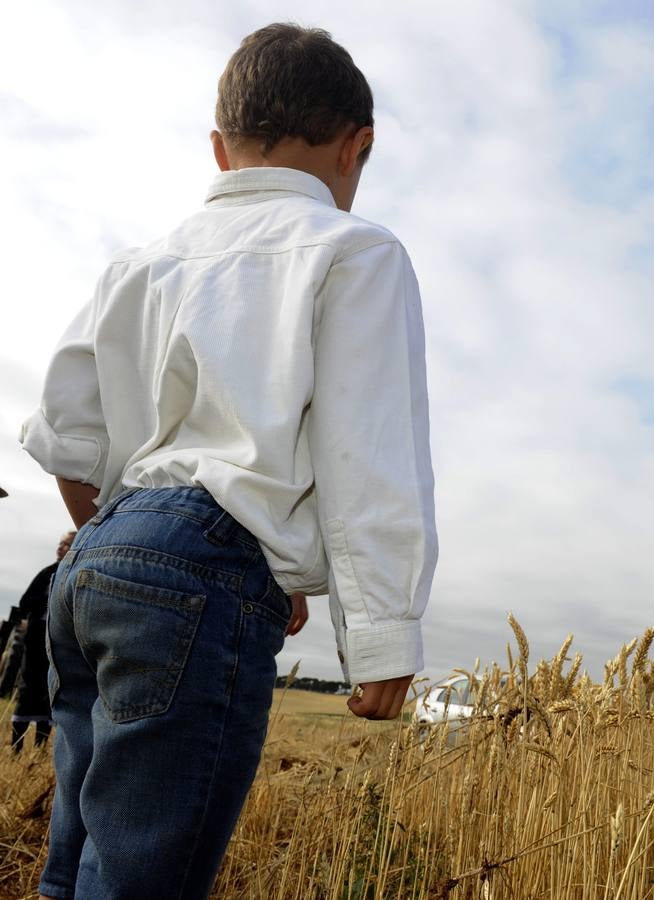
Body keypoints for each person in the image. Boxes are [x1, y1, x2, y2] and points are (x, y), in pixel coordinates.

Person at [19, 23, 437, 900]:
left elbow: (64, 438)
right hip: (203, 573)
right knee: (138, 884)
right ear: (358, 147)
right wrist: (382, 636)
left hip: (92, 564)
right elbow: (367, 456)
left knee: (73, 868)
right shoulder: (354, 251)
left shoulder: (138, 264)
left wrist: (126, 548)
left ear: (219, 148)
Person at [10, 532, 75, 752]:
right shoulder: (47, 573)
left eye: (65, 545)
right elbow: (26, 601)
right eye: (60, 544)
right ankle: (17, 745)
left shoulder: (76, 573)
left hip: (60, 641)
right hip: (36, 638)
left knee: (49, 689)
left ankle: (40, 746)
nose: (60, 548)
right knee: (28, 685)